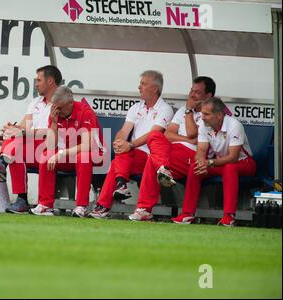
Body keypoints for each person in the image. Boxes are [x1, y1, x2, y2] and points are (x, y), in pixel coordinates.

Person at [126, 76, 216, 222]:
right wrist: (187, 138)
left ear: (208, 96)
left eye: (197, 93)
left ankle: (144, 209)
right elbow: (168, 134)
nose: (192, 95)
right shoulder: (182, 110)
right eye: (191, 91)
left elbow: (194, 134)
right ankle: (162, 169)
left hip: (193, 155)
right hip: (173, 152)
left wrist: (188, 111)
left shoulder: (211, 113)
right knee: (155, 135)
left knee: (152, 159)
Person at [89, 70, 174, 219]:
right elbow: (124, 130)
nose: (139, 87)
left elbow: (153, 134)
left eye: (143, 84)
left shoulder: (165, 109)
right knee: (118, 158)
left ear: (155, 88)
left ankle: (104, 204)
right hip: (133, 155)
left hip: (152, 157)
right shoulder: (136, 107)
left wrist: (130, 145)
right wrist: (119, 142)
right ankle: (120, 186)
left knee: (117, 161)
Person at [0, 65, 62, 214]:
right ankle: (21, 200)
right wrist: (12, 128)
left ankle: (2, 163)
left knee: (16, 144)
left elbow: (52, 132)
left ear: (50, 81)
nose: (36, 84)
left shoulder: (61, 103)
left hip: (52, 148)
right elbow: (23, 126)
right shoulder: (35, 102)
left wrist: (22, 132)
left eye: (39, 80)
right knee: (14, 142)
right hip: (34, 148)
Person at [173, 97, 256, 226]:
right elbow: (201, 150)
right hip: (220, 162)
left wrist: (209, 163)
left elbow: (233, 157)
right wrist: (201, 162)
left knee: (230, 167)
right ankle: (187, 214)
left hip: (244, 163)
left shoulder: (234, 125)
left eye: (206, 114)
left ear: (219, 115)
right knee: (195, 167)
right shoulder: (204, 125)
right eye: (202, 113)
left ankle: (229, 217)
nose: (203, 117)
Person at [29, 86, 105, 217]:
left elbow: (87, 145)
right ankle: (45, 205)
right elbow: (51, 146)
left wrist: (61, 153)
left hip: (94, 154)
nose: (58, 112)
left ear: (71, 103)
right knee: (46, 155)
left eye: (61, 108)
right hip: (70, 155)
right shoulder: (55, 112)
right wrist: (53, 123)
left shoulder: (85, 112)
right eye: (56, 107)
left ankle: (81, 206)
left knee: (83, 157)